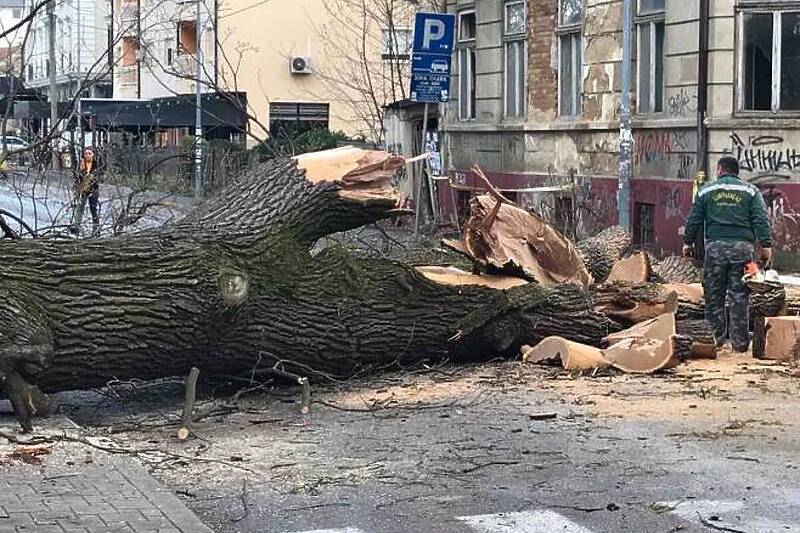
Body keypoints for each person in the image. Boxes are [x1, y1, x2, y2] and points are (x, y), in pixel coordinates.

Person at [682, 156, 773, 352]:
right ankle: (740, 345)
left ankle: (715, 340)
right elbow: (761, 219)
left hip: (715, 250)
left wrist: (687, 243)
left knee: (714, 295)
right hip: (744, 251)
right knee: (740, 295)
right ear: (737, 171)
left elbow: (694, 219)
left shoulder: (706, 190)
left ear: (720, 169)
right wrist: (766, 246)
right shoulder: (751, 191)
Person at [70, 146, 102, 236]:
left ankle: (96, 228)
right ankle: (76, 226)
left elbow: (98, 177)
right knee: (79, 208)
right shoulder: (81, 164)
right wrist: (81, 172)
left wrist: (93, 180)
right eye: (86, 153)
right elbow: (77, 177)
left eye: (89, 153)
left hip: (93, 189)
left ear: (93, 155)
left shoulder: (96, 164)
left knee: (93, 209)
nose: (87, 155)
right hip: (83, 189)